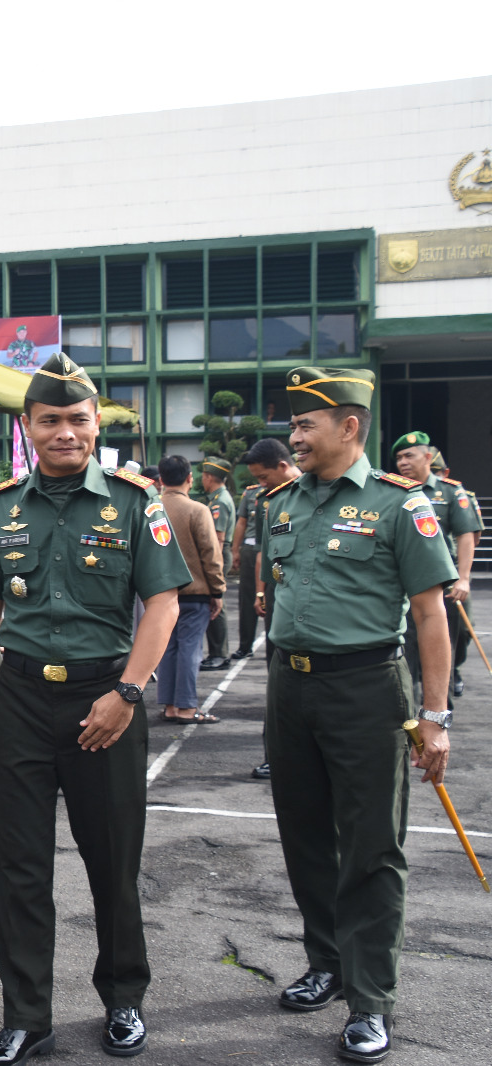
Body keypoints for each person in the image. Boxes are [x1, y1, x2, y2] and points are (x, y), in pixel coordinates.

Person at [0, 353, 190, 1065]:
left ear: (95, 426)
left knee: (111, 862)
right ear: (27, 426)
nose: (64, 432)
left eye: (77, 420)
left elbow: (164, 603)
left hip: (105, 698)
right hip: (18, 699)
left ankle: (123, 1001)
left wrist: (128, 691)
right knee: (20, 869)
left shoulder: (132, 501)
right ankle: (27, 1016)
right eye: (49, 420)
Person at [260, 368, 455, 1064]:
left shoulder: (402, 506)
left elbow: (431, 614)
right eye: (293, 425)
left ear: (349, 426)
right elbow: (270, 591)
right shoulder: (279, 502)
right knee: (305, 835)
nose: (294, 437)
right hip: (290, 688)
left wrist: (435, 716)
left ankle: (370, 999)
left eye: (305, 425)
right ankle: (327, 961)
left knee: (371, 848)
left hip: (367, 689)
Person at [393, 431, 480, 711]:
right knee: (406, 644)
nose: (403, 462)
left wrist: (464, 579)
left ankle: (440, 708)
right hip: (404, 580)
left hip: (443, 580)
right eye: (399, 457)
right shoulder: (394, 492)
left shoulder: (451, 491)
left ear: (428, 457)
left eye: (409, 455)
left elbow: (467, 535)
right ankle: (407, 706)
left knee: (445, 644)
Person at [241, 438, 299, 780]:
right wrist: (261, 592)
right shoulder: (273, 502)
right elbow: (266, 551)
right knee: (278, 686)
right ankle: (275, 755)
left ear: (282, 466)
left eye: (264, 477)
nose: (261, 485)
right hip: (280, 608)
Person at [155, 455, 225, 724]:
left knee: (168, 648)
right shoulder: (198, 510)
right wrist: (217, 591)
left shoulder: (151, 509)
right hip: (194, 592)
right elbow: (211, 554)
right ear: (189, 478)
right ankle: (185, 707)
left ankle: (170, 705)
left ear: (161, 479)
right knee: (190, 650)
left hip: (160, 593)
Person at [431, 449, 479, 696]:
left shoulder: (456, 493)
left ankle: (454, 668)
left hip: (449, 571)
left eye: (434, 471)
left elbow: (470, 535)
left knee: (460, 629)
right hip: (420, 572)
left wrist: (464, 576)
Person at [199, 457, 236, 670]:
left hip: (220, 554)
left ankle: (219, 654)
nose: (202, 480)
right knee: (214, 604)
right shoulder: (217, 498)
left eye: (204, 476)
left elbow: (219, 538)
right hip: (220, 554)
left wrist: (215, 566)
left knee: (216, 604)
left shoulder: (219, 501)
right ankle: (217, 652)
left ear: (209, 477)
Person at [230, 475, 266, 660]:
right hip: (251, 548)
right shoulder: (251, 493)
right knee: (247, 599)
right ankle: (245, 646)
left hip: (275, 549)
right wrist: (235, 550)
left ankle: (275, 647)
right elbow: (241, 522)